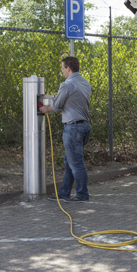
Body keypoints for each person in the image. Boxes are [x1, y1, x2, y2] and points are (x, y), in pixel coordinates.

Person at [39, 56, 92, 203]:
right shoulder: (85, 83)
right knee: (70, 161)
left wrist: (44, 108)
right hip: (85, 127)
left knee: (76, 163)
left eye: (62, 68)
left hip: (73, 128)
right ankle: (64, 192)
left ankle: (82, 194)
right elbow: (74, 101)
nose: (62, 71)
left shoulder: (66, 85)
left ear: (68, 68)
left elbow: (55, 108)